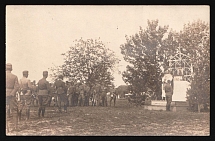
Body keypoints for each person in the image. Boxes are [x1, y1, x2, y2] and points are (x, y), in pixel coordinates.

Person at [6, 63, 19, 132]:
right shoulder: (14, 76)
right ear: (11, 69)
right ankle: (15, 127)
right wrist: (12, 93)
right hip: (12, 95)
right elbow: (17, 86)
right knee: (14, 111)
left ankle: (6, 128)